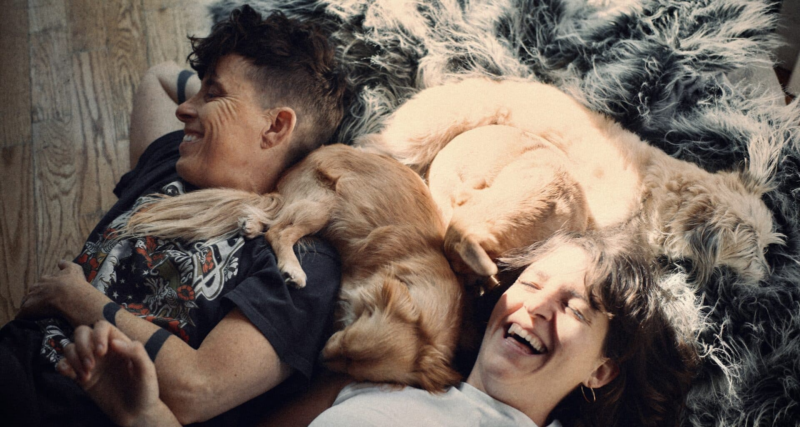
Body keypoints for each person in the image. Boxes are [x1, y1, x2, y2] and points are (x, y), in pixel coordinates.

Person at [0, 5, 348, 426]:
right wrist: (214, 101)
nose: (185, 109)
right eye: (196, 93)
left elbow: (196, 389)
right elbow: (159, 77)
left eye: (214, 94)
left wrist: (76, 299)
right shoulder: (172, 160)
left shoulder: (301, 261)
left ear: (275, 128)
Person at [58, 232, 698, 427]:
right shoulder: (385, 378)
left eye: (576, 308)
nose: (535, 307)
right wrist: (142, 414)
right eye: (531, 284)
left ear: (602, 368)